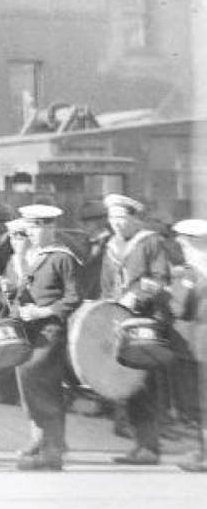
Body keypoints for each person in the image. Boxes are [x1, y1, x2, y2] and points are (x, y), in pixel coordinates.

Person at [6, 203, 80, 470]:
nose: (33, 233)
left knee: (41, 383)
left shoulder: (61, 257)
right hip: (29, 329)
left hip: (50, 330)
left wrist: (42, 312)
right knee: (30, 383)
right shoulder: (31, 256)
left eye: (39, 226)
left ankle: (53, 450)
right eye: (30, 227)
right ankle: (44, 440)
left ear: (52, 227)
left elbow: (73, 298)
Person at [100, 193, 172, 465]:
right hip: (121, 321)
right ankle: (139, 444)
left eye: (121, 218)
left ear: (132, 218)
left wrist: (137, 296)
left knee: (147, 384)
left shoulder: (150, 241)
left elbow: (159, 278)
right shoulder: (111, 246)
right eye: (112, 218)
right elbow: (106, 286)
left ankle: (150, 447)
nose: (116, 223)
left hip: (146, 322)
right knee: (128, 384)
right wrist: (107, 309)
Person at [168, 217, 206, 473]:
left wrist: (165, 294)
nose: (180, 246)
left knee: (201, 400)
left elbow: (181, 310)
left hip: (198, 344)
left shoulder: (192, 274)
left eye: (183, 242)